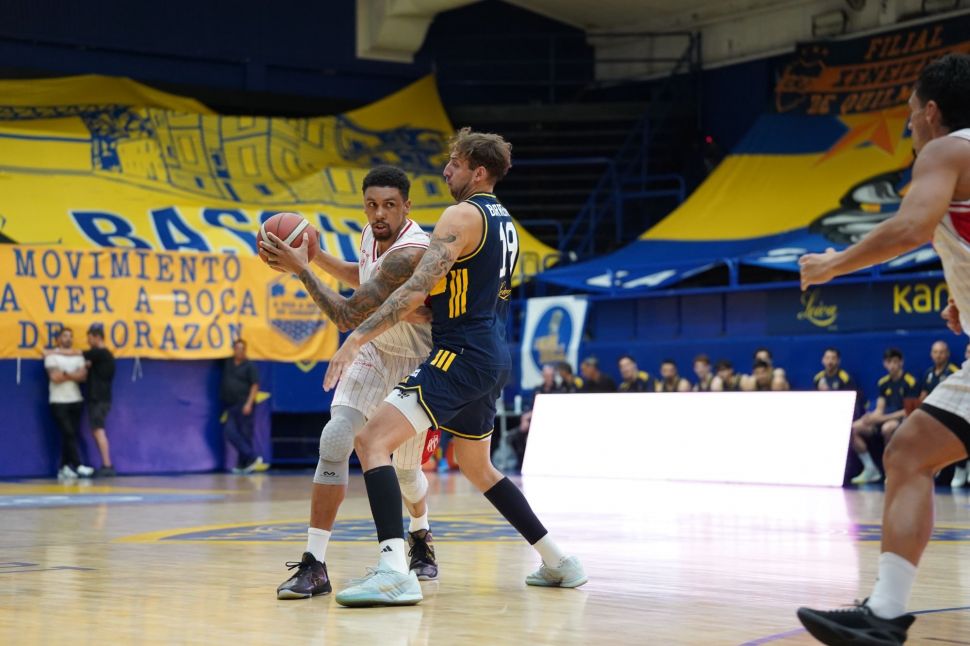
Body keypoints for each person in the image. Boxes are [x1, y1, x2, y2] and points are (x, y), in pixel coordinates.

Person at [322, 127, 586, 607]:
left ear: (478, 171)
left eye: (455, 163)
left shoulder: (461, 214)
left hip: (459, 353)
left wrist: (356, 337)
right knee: (477, 466)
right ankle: (559, 560)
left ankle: (393, 572)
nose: (446, 171)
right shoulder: (505, 220)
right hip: (492, 352)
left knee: (371, 441)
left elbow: (414, 289)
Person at [797, 53, 970, 644]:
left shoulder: (944, 151)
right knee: (909, 452)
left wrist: (833, 264)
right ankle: (884, 614)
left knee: (909, 454)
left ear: (931, 111)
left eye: (910, 114)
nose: (909, 126)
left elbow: (910, 227)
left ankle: (886, 615)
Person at [261, 165, 441, 598]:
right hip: (376, 351)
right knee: (336, 437)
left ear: (407, 207)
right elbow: (363, 280)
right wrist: (317, 257)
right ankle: (314, 563)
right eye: (372, 205)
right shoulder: (370, 235)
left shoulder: (410, 252)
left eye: (389, 205)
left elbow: (347, 315)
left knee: (406, 473)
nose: (379, 214)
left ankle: (420, 532)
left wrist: (302, 270)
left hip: (417, 360)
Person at [848, 348, 918, 485]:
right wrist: (869, 417)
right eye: (889, 362)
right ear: (884, 364)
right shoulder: (883, 383)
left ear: (901, 362)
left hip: (902, 420)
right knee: (853, 428)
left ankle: (893, 470)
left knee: (887, 428)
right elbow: (880, 409)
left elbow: (909, 411)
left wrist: (882, 418)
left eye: (895, 362)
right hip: (884, 419)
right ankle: (870, 468)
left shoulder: (911, 382)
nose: (892, 365)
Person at [44, 327, 94, 480]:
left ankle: (64, 467)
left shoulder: (78, 357)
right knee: (68, 432)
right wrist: (73, 374)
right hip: (58, 400)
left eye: (70, 336)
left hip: (76, 399)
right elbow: (55, 377)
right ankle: (78, 465)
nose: (68, 339)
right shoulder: (52, 356)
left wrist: (64, 374)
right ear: (58, 339)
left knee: (70, 434)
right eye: (65, 336)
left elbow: (83, 377)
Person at [917, 340, 962, 486]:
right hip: (931, 414)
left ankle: (955, 469)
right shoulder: (928, 373)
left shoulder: (954, 372)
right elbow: (923, 397)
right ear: (931, 354)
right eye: (935, 352)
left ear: (947, 354)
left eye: (941, 352)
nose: (938, 355)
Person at [219, 339, 268, 475]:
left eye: (242, 349)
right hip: (230, 405)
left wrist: (249, 403)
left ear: (245, 350)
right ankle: (251, 457)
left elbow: (255, 385)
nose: (239, 351)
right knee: (229, 431)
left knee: (245, 434)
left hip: (244, 404)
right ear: (234, 350)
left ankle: (243, 464)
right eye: (237, 348)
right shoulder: (228, 363)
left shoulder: (249, 366)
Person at [82, 324, 116, 477]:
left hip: (99, 398)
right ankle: (105, 464)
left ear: (97, 338)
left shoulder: (101, 353)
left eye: (90, 339)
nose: (88, 342)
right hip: (100, 398)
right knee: (96, 430)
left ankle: (107, 464)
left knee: (98, 430)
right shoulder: (101, 357)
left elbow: (79, 354)